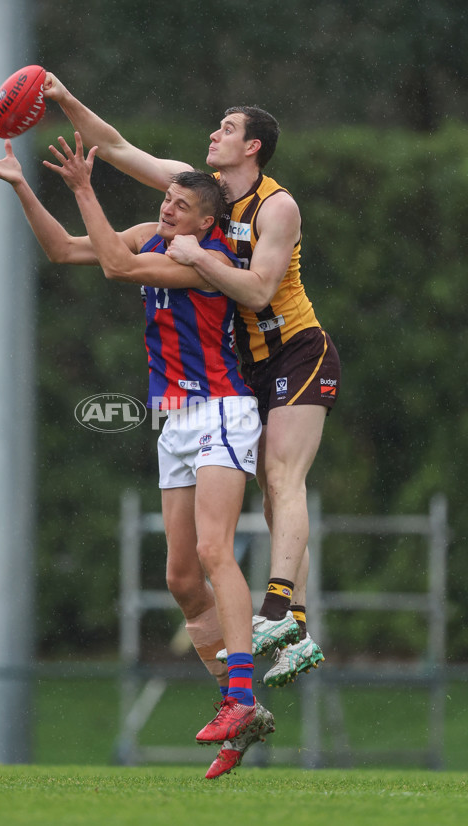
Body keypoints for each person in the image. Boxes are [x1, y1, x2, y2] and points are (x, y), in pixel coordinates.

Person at [0, 133, 275, 778]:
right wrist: (24, 186)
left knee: (218, 551)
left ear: (206, 221)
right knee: (182, 579)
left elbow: (117, 267)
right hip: (175, 421)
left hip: (221, 408)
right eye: (166, 199)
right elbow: (66, 250)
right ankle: (236, 704)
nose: (166, 211)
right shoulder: (152, 233)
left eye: (180, 206)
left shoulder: (207, 257)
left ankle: (242, 697)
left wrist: (84, 186)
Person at [40, 76, 340, 698]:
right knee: (267, 489)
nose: (214, 133)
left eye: (227, 128)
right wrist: (66, 101)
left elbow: (257, 291)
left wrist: (196, 257)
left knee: (283, 479)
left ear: (253, 147)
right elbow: (118, 148)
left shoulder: (275, 207)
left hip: (297, 347)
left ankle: (280, 610)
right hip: (247, 364)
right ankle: (300, 631)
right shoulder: (201, 193)